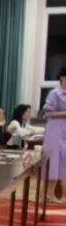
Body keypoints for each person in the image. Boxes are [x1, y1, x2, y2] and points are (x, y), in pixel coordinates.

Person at [44, 69, 66, 203]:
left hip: (65, 130)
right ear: (62, 78)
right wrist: (64, 113)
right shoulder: (54, 93)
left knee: (63, 161)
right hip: (55, 129)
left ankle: (61, 194)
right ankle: (49, 194)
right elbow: (47, 113)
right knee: (54, 161)